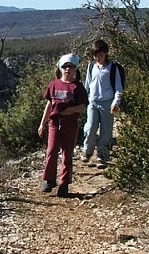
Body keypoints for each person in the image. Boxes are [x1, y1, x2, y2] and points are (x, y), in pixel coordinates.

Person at [38, 53, 88, 197]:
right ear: (61, 68)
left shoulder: (77, 87)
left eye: (70, 67)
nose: (67, 69)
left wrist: (67, 110)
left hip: (70, 124)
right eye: (65, 66)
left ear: (75, 69)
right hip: (54, 123)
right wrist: (42, 124)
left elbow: (82, 107)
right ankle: (49, 180)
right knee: (51, 151)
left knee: (67, 155)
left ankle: (64, 184)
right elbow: (49, 105)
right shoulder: (54, 85)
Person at [81, 39, 123, 169]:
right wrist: (82, 100)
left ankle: (102, 156)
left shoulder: (113, 68)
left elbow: (118, 87)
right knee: (91, 127)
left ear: (105, 53)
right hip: (93, 102)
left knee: (106, 131)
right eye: (95, 55)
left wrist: (116, 102)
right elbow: (87, 85)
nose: (97, 58)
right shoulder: (91, 67)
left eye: (100, 55)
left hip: (107, 103)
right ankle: (87, 151)